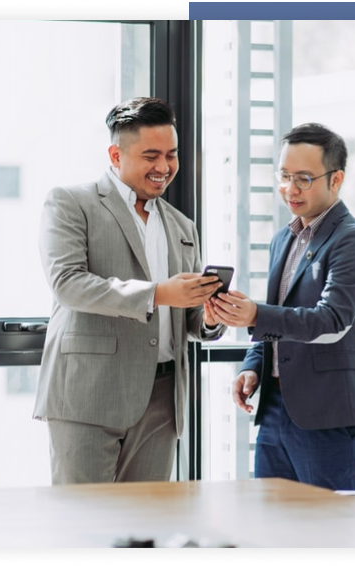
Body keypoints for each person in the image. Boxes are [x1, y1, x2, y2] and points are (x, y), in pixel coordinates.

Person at [33, 97, 227, 484]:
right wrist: (157, 293)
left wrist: (207, 317)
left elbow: (184, 316)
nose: (164, 167)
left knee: (146, 527)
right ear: (116, 154)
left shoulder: (182, 226)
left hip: (163, 400)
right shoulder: (71, 203)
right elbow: (68, 284)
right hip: (89, 392)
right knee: (84, 525)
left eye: (171, 155)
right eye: (151, 155)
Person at [208, 123, 355, 491]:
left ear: (336, 180)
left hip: (328, 416)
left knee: (329, 535)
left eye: (303, 178)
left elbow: (332, 321)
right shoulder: (284, 238)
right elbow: (278, 317)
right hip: (274, 410)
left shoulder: (352, 240)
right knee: (273, 530)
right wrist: (254, 366)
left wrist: (254, 314)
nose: (290, 189)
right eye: (284, 176)